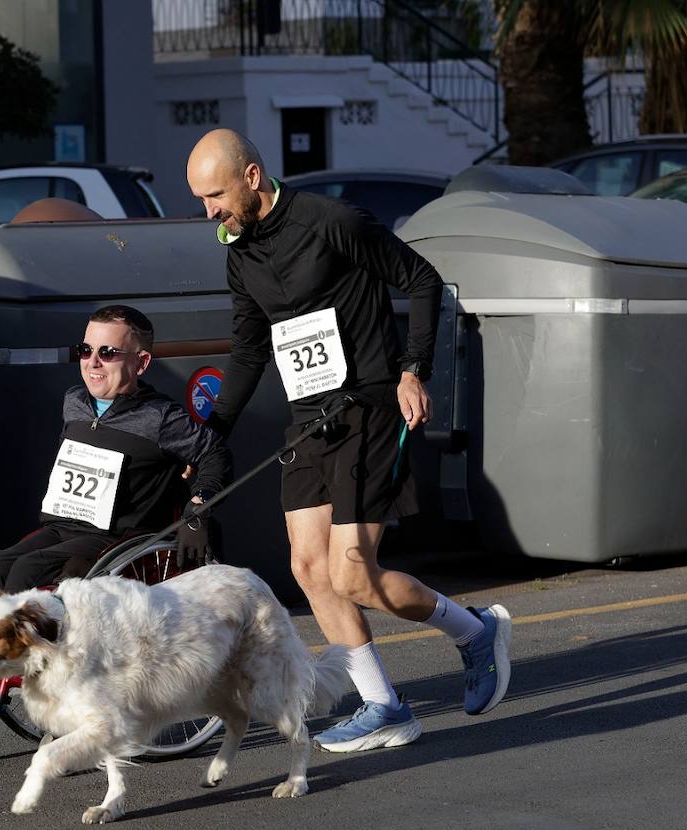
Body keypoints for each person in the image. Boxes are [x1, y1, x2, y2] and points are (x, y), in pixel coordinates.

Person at [185, 128, 511, 753]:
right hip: (309, 418)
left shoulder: (330, 220)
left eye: (216, 195)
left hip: (368, 408)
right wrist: (212, 433)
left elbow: (421, 280)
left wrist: (413, 368)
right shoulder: (240, 254)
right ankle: (385, 706)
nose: (210, 212)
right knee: (309, 569)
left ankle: (475, 633)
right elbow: (251, 351)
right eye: (201, 199)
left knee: (353, 573)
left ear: (252, 177)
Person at [0, 304, 231, 713]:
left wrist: (197, 507)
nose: (93, 362)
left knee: (25, 575)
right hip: (63, 524)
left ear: (141, 362)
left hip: (112, 536)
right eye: (85, 350)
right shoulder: (75, 402)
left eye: (108, 353)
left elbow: (215, 452)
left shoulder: (160, 418)